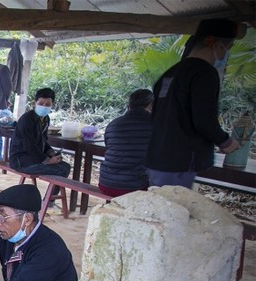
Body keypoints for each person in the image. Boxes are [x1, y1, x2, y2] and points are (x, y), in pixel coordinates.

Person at [145, 19, 243, 188]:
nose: (226, 53)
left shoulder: (171, 73)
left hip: (156, 158)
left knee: (157, 209)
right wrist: (225, 141)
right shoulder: (204, 73)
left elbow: (154, 113)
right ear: (216, 45)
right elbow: (204, 120)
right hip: (179, 160)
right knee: (172, 210)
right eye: (228, 47)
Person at [9, 87, 71, 197]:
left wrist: (51, 152)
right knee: (61, 170)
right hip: (21, 161)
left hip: (33, 159)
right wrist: (47, 160)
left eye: (47, 104)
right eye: (41, 103)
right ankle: (48, 200)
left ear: (52, 105)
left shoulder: (45, 119)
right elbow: (30, 146)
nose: (44, 107)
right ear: (35, 103)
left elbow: (43, 140)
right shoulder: (26, 120)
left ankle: (49, 198)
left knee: (65, 166)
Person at [98, 89, 154, 197]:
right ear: (151, 106)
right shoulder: (154, 125)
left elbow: (109, 147)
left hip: (106, 184)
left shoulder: (113, 124)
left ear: (129, 105)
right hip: (135, 188)